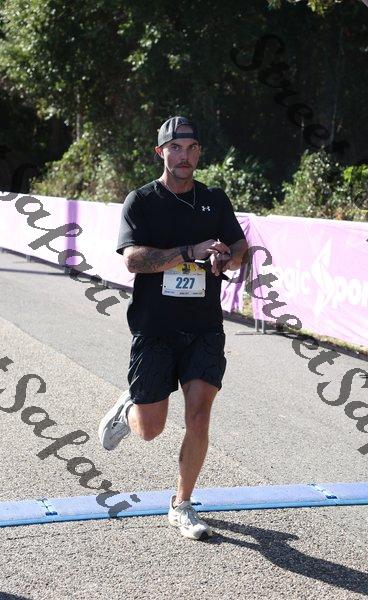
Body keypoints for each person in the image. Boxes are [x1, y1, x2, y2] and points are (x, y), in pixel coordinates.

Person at [98, 115, 248, 540]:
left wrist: (227, 257)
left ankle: (182, 504)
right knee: (151, 429)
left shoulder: (214, 200)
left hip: (204, 327)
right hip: (156, 328)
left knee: (199, 415)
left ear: (198, 152)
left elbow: (241, 246)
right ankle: (131, 408)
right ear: (160, 152)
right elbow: (133, 260)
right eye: (175, 148)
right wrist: (189, 251)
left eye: (191, 148)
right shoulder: (142, 201)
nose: (184, 156)